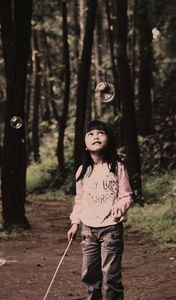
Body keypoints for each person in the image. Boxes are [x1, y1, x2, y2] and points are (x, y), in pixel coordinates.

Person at [67, 120, 133, 300]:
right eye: (90, 134)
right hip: (88, 230)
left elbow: (127, 195)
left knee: (111, 275)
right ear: (85, 146)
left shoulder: (117, 167)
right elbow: (79, 199)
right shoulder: (82, 171)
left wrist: (120, 207)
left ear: (109, 141)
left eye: (100, 133)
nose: (95, 136)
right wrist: (75, 223)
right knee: (89, 274)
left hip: (111, 229)